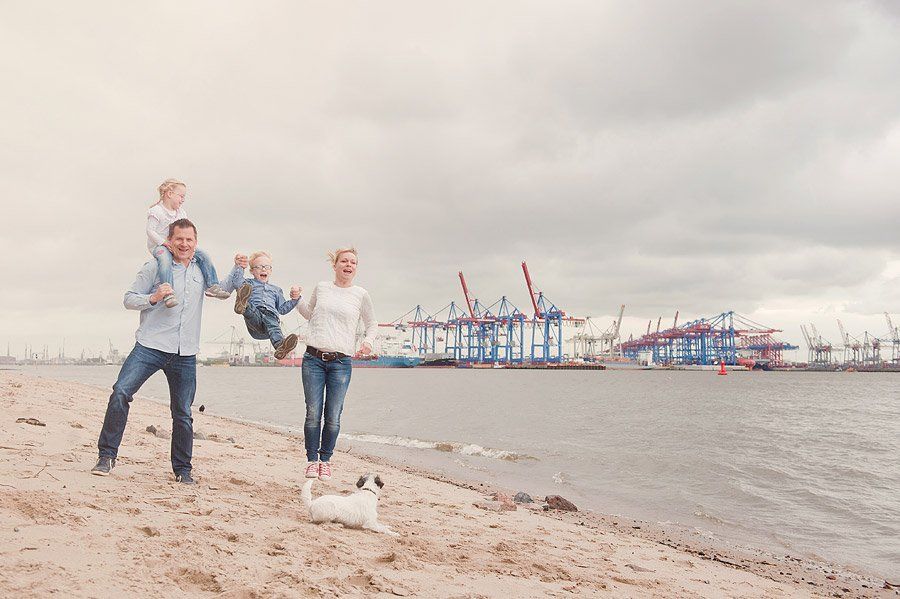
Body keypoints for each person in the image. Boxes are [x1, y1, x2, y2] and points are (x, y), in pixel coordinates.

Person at [92, 218, 243, 483]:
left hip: (185, 352)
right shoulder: (155, 267)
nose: (184, 244)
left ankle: (182, 470)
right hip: (150, 346)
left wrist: (238, 267)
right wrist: (153, 297)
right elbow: (129, 299)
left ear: (195, 242)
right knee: (120, 392)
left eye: (189, 240)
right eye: (179, 239)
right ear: (170, 242)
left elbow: (222, 290)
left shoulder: (201, 269)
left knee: (183, 413)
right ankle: (106, 456)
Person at [296, 247, 376, 481]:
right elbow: (309, 314)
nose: (348, 265)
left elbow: (372, 324)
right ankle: (312, 461)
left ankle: (326, 461)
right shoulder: (322, 287)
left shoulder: (360, 294)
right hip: (313, 359)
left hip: (341, 362)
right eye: (344, 261)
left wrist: (368, 342)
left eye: (353, 262)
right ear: (335, 265)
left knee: (333, 415)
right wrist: (297, 299)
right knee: (313, 412)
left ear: (356, 268)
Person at [147, 178, 231, 307]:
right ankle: (168, 293)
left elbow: (186, 230)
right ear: (169, 194)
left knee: (203, 255)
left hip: (179, 245)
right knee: (165, 260)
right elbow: (150, 231)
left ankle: (212, 286)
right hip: (160, 246)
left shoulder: (181, 212)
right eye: (181, 196)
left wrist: (192, 249)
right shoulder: (157, 211)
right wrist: (164, 243)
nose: (183, 200)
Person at [229, 251, 302, 360]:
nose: (263, 269)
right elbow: (236, 282)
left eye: (267, 267)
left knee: (273, 323)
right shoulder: (248, 283)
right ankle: (242, 305)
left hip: (270, 320)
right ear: (252, 271)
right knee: (249, 305)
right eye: (259, 267)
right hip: (255, 322)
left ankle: (280, 347)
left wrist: (295, 299)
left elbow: (282, 309)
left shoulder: (276, 290)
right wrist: (240, 267)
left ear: (270, 270)